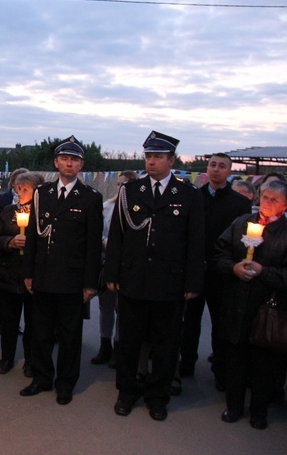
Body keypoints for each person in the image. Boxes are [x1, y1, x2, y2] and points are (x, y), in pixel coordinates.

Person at [105, 131, 205, 422]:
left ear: (171, 160)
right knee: (129, 341)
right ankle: (127, 392)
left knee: (165, 344)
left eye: (158, 157)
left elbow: (195, 242)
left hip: (170, 284)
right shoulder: (130, 191)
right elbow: (117, 237)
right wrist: (111, 272)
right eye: (148, 156)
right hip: (133, 280)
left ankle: (158, 396)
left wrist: (192, 283)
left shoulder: (188, 194)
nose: (152, 162)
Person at [20, 136, 103, 405]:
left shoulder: (91, 198)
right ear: (56, 162)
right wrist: (28, 272)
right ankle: (42, 378)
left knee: (69, 336)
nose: (69, 163)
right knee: (41, 332)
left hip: (72, 279)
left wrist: (91, 283)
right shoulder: (41, 194)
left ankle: (65, 383)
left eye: (75, 159)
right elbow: (32, 236)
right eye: (65, 158)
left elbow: (93, 245)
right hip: (43, 275)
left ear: (81, 165)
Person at [214, 179, 287, 430]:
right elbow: (219, 253)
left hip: (267, 308)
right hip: (236, 304)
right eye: (265, 197)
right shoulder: (242, 224)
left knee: (263, 365)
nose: (267, 203)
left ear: (285, 204)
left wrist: (263, 271)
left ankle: (259, 411)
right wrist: (233, 267)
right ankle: (233, 407)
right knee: (235, 360)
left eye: (274, 200)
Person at [179, 153, 251, 388]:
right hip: (195, 270)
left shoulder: (239, 203)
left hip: (223, 272)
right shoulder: (194, 197)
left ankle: (221, 370)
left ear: (229, 172)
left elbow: (241, 240)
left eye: (222, 166)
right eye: (212, 165)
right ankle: (186, 364)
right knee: (190, 321)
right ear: (206, 169)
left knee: (221, 323)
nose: (216, 170)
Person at [0, 171, 44, 376]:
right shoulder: (8, 211)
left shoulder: (43, 215)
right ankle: (6, 358)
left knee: (33, 323)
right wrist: (9, 242)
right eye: (18, 189)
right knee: (9, 322)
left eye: (25, 189)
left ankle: (30, 360)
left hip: (33, 277)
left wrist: (31, 244)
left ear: (36, 191)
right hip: (8, 276)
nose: (19, 193)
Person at [90, 170, 138, 368]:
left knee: (122, 309)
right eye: (118, 185)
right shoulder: (107, 207)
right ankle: (105, 344)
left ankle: (119, 346)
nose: (120, 188)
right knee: (105, 307)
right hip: (106, 262)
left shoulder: (136, 210)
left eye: (124, 185)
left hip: (126, 266)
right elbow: (97, 232)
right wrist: (105, 242)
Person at [0, 167, 29, 335]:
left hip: (22, 259)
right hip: (4, 254)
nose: (21, 189)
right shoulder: (3, 199)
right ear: (13, 183)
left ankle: (17, 324)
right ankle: (1, 321)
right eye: (19, 184)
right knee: (4, 293)